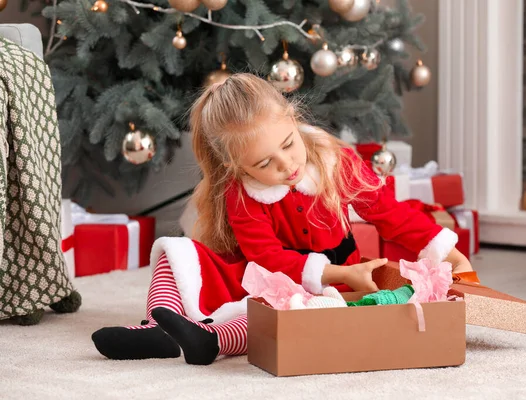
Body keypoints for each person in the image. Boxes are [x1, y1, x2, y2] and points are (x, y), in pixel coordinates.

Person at [91, 73, 474, 365]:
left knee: (284, 313)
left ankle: (212, 341)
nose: (287, 165)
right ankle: (158, 328)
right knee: (176, 256)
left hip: (337, 279)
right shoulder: (240, 192)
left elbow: (389, 212)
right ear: (234, 165)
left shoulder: (333, 160)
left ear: (293, 119)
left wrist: (446, 250)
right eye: (264, 164)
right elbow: (266, 258)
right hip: (266, 270)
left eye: (288, 145)